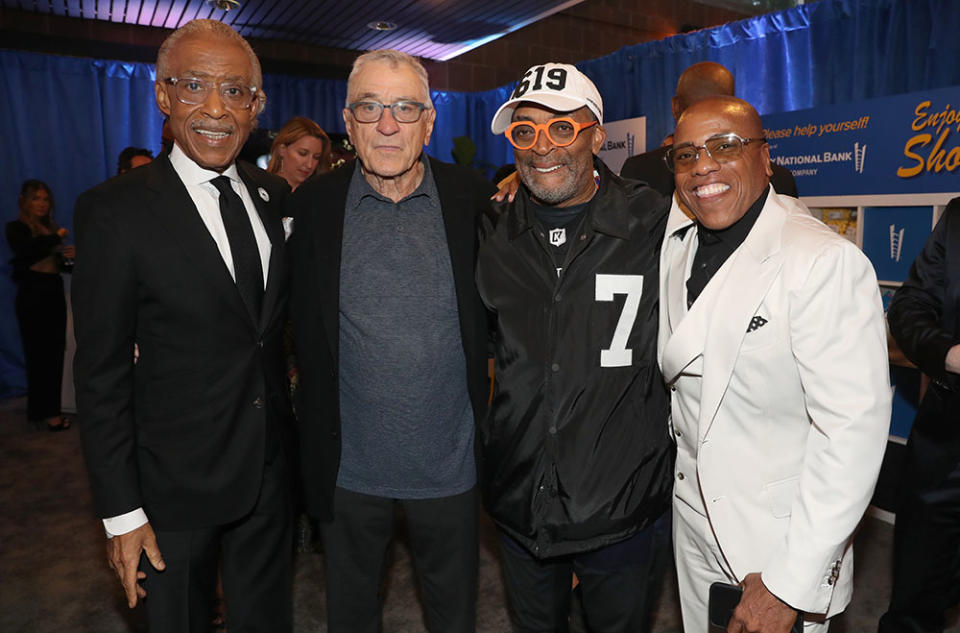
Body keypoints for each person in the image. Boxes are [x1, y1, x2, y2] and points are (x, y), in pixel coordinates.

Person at [72, 19, 294, 632]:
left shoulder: (273, 195)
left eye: (235, 90)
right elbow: (101, 374)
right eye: (194, 85)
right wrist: (121, 513)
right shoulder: (114, 210)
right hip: (171, 489)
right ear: (163, 95)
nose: (217, 108)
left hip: (270, 476)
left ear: (258, 104)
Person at [658, 95, 890, 632]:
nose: (704, 166)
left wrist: (791, 582)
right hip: (692, 523)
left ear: (767, 159)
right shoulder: (677, 240)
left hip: (775, 541)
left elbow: (851, 435)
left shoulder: (822, 262)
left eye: (726, 146)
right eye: (687, 154)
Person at [287, 49, 493, 633]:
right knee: (350, 617)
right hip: (349, 470)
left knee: (454, 616)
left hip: (450, 470)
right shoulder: (313, 207)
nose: (386, 125)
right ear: (347, 124)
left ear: (429, 122)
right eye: (369, 107)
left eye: (404, 108)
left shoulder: (472, 201)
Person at [478, 62, 674, 632]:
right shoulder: (491, 225)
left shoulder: (655, 220)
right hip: (520, 501)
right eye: (525, 130)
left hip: (621, 504)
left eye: (562, 128)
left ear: (596, 135)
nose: (543, 147)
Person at [879, 199, 960, 633]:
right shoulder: (958, 217)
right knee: (913, 602)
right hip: (946, 444)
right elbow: (909, 305)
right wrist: (947, 354)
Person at [620, 62, 798, 198]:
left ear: (675, 107)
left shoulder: (640, 170)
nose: (703, 168)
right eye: (685, 157)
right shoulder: (781, 177)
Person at [6, 180, 73, 431]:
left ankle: (48, 411)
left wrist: (68, 257)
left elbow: (54, 264)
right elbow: (27, 254)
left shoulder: (50, 229)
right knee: (38, 356)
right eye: (37, 199)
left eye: (45, 199)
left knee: (54, 355)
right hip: (32, 297)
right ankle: (45, 412)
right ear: (24, 201)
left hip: (52, 293)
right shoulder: (16, 229)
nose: (42, 204)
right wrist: (56, 238)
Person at [267, 116, 332, 191]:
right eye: (302, 153)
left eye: (316, 157)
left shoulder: (321, 194)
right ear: (282, 149)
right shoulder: (260, 188)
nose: (309, 165)